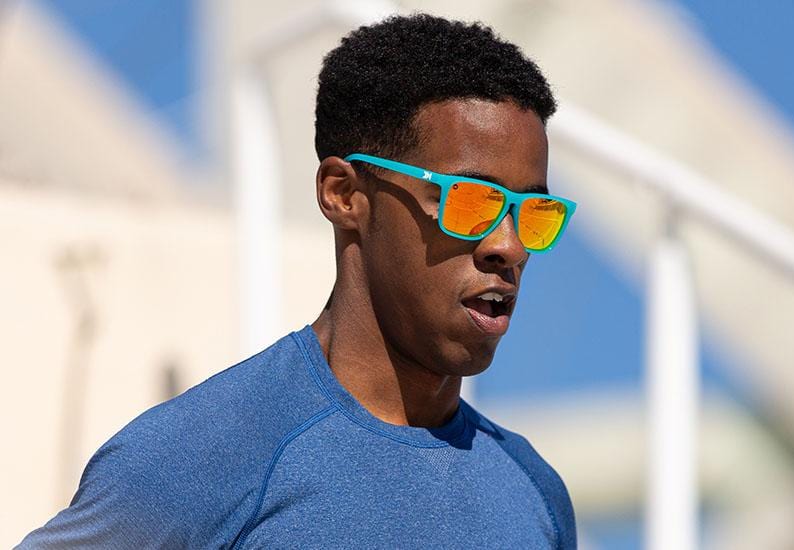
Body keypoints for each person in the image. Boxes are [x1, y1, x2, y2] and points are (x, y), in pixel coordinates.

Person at [19, 13, 577, 549]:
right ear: (344, 194)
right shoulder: (200, 459)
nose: (509, 245)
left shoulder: (533, 493)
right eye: (471, 200)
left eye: (535, 212)